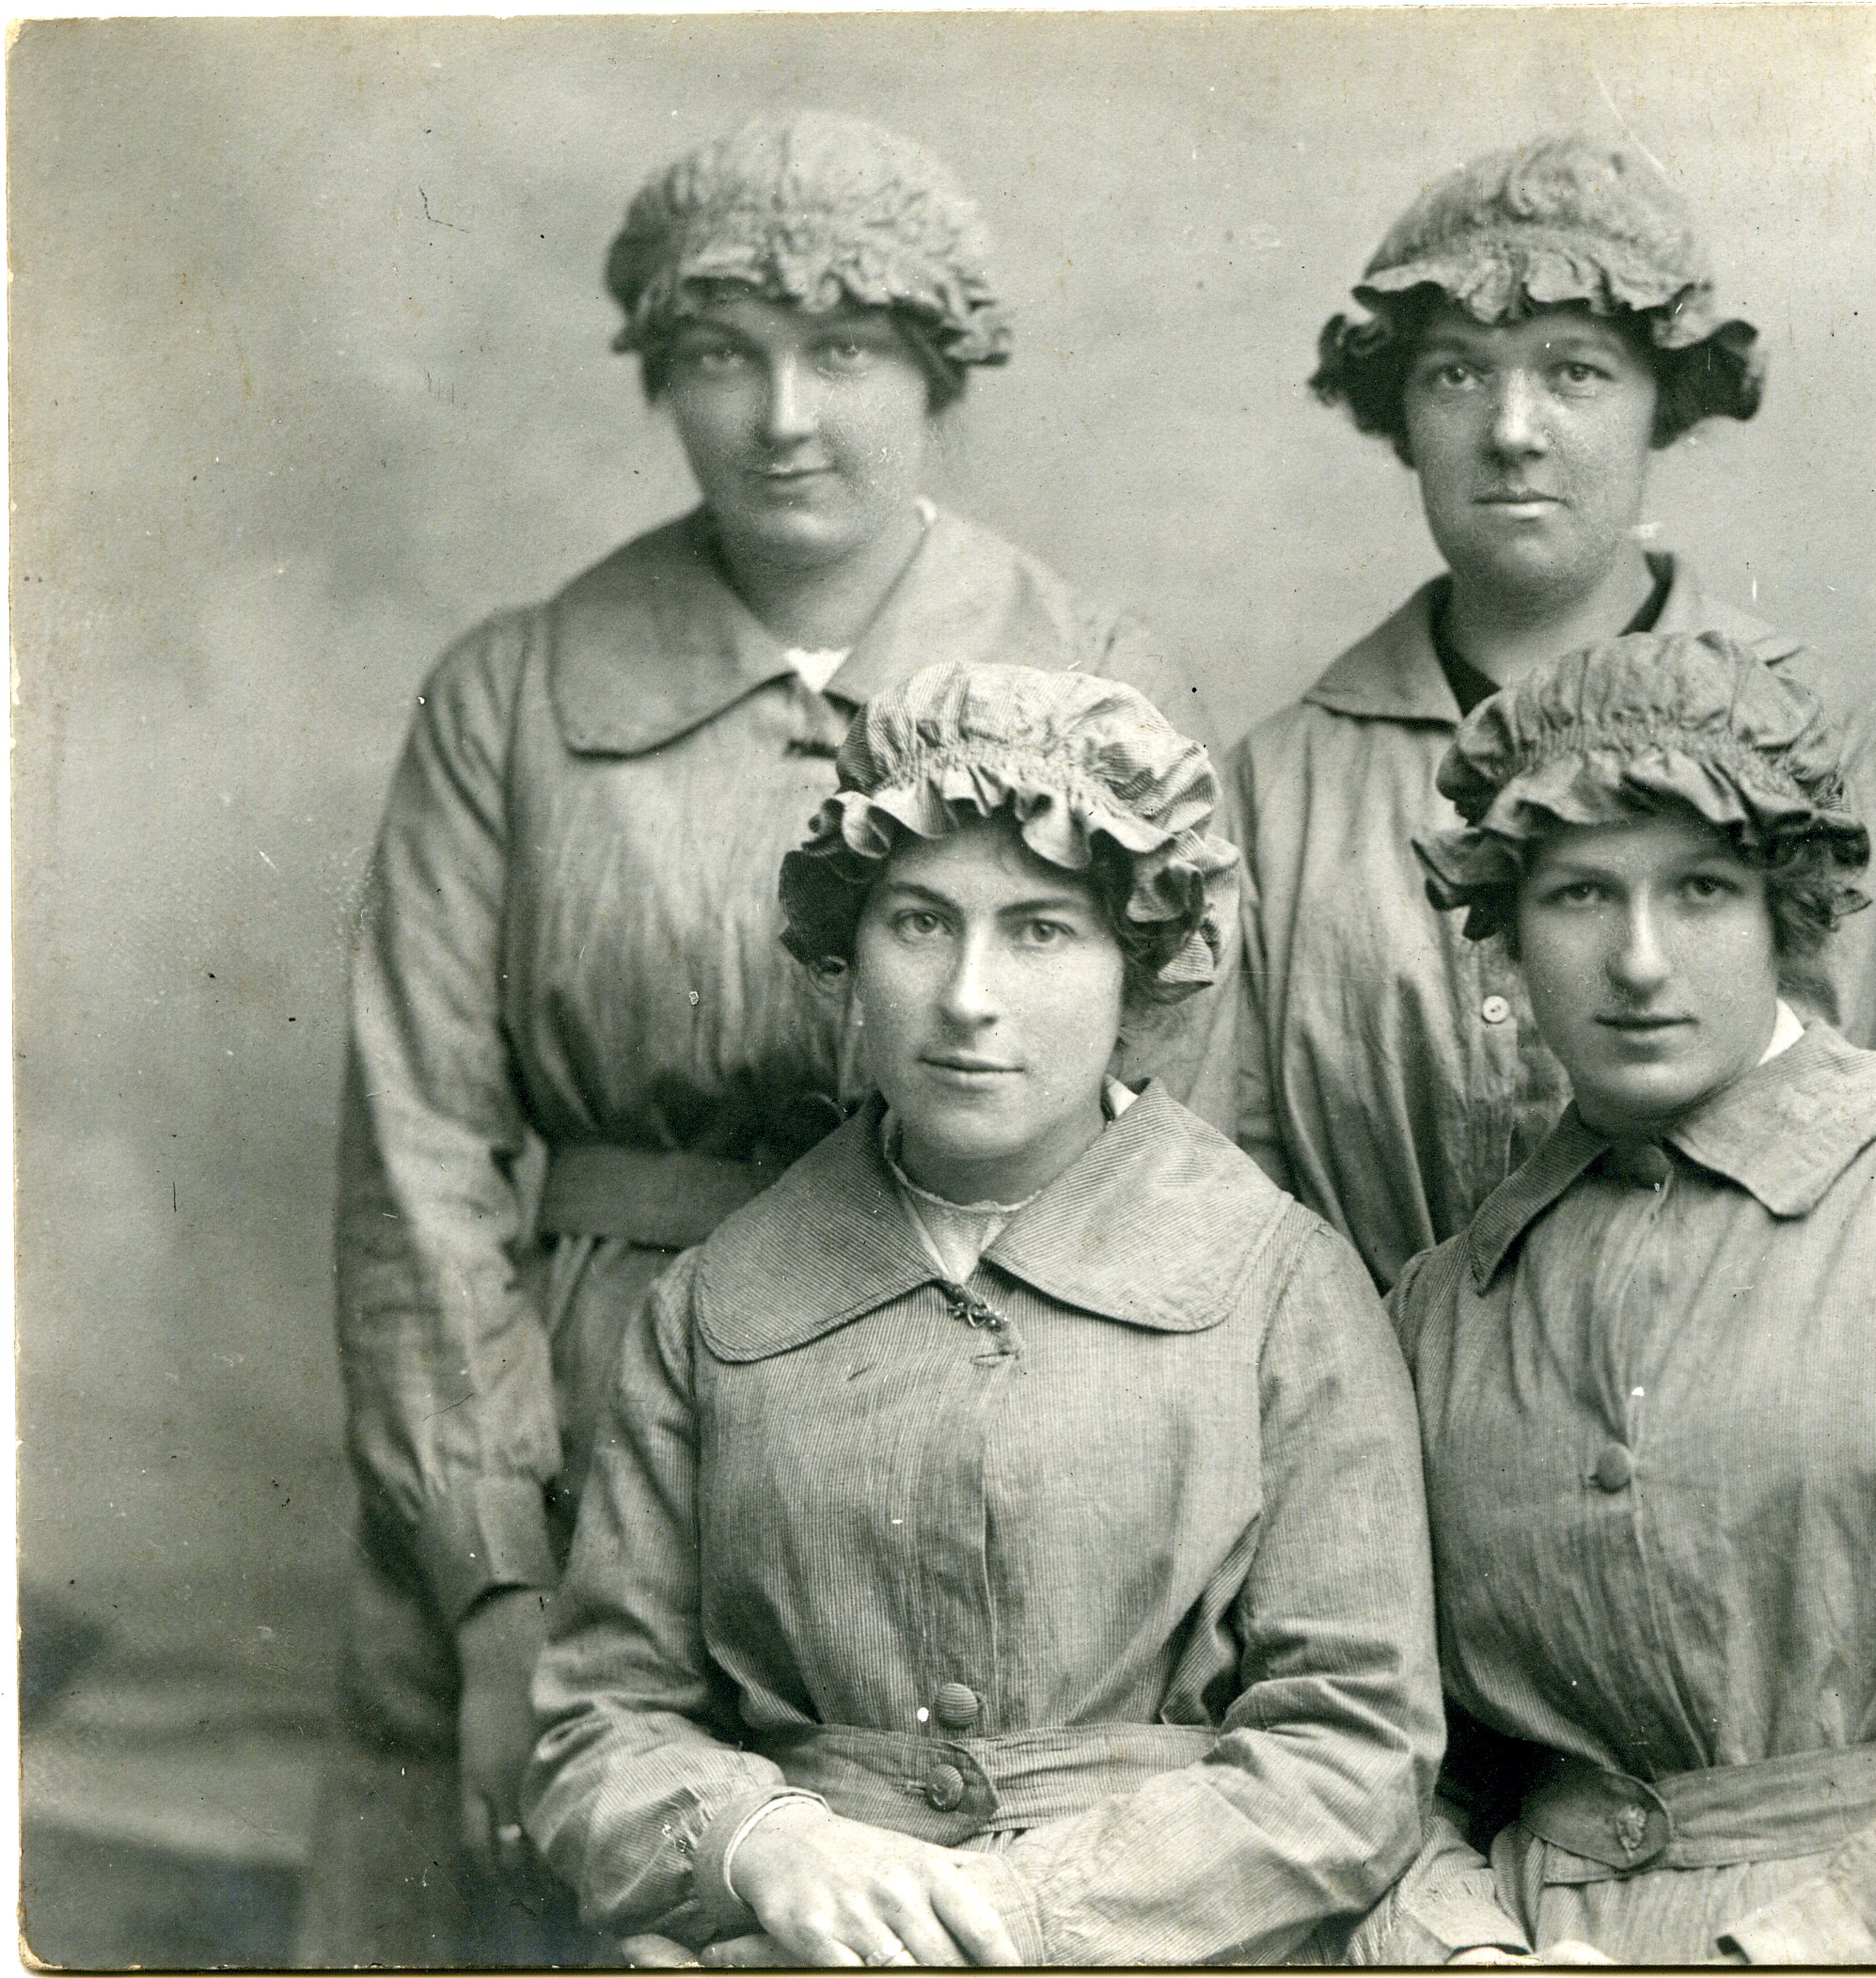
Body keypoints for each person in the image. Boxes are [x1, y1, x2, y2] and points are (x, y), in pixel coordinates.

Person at [303, 112, 1212, 1964]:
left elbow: (1162, 1143)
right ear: (662, 378)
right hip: (553, 1423)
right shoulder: (512, 691)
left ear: (937, 371)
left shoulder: (1092, 666)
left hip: (949, 1423)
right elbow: (419, 1153)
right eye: (724, 356)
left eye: (846, 351)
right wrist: (498, 1600)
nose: (784, 414)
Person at [524, 661, 1435, 1965]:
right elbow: (597, 1725)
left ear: (1142, 967)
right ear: (845, 952)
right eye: (920, 922)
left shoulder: (1279, 1286)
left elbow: (1354, 1748)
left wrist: (1019, 1909)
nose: (968, 994)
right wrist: (761, 1838)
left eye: (1041, 930)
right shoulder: (713, 1301)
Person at [1365, 631, 1876, 1963]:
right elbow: (1394, 1756)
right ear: (1506, 933)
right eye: (1581, 894)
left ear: (1786, 912)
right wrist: (1462, 1948)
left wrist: (1790, 1952)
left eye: (1698, 890)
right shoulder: (1444, 1304)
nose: (1639, 959)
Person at [1222, 135, 1842, 1290]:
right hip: (1377, 1421)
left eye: (1573, 372)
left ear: (1663, 400)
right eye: (1456, 372)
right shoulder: (1278, 785)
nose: (1512, 429)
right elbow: (1233, 1187)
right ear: (1397, 410)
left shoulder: (1807, 737)